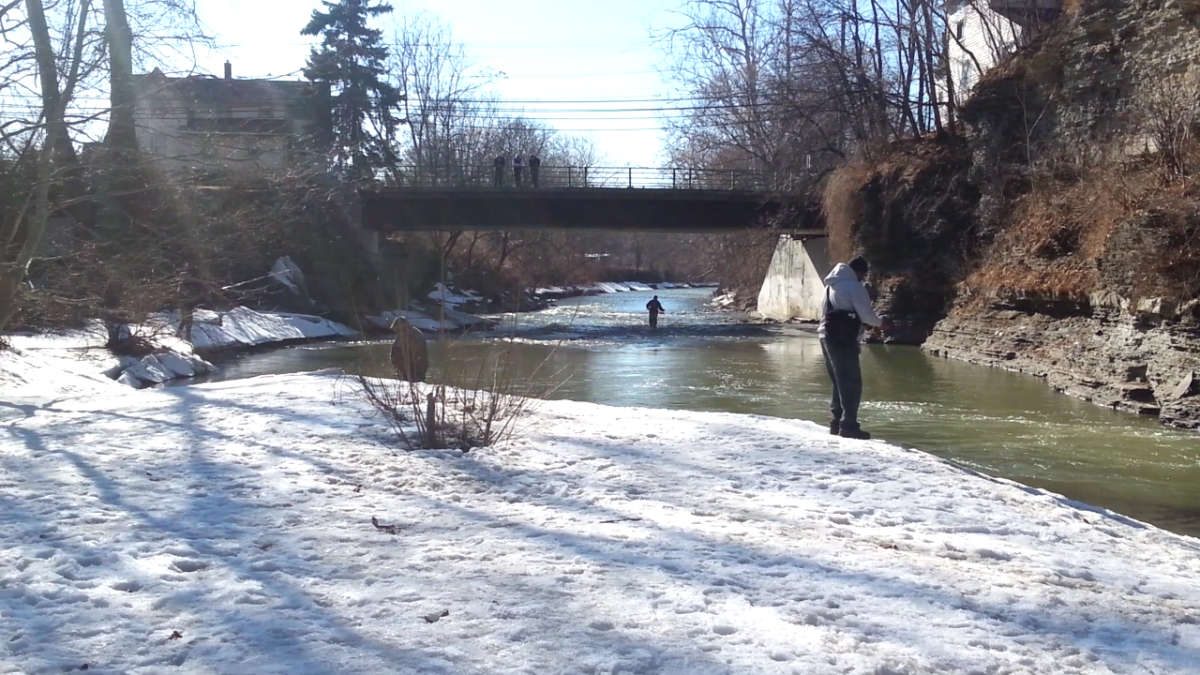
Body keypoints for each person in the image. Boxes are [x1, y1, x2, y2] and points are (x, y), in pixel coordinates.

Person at [818, 255, 889, 440]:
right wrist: (883, 323)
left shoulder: (829, 286)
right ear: (859, 272)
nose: (863, 279)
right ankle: (849, 425)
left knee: (838, 381)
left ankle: (836, 423)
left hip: (825, 336)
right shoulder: (853, 286)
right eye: (863, 275)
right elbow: (867, 317)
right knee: (851, 383)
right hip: (842, 340)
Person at [389, 317, 429, 383]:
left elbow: (416, 354)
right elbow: (395, 349)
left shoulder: (415, 335)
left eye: (398, 329)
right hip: (407, 370)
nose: (397, 332)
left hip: (416, 370)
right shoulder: (402, 335)